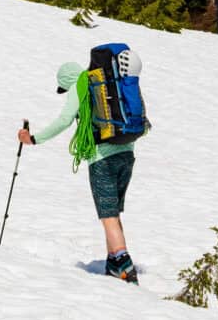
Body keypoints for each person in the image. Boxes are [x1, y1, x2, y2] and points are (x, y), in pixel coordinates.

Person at [18, 58, 141, 284]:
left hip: (102, 157)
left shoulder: (80, 85)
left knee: (108, 215)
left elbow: (65, 119)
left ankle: (125, 267)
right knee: (113, 213)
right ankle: (113, 262)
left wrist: (34, 139)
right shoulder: (103, 84)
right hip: (127, 151)